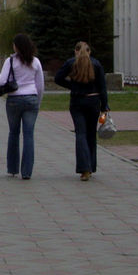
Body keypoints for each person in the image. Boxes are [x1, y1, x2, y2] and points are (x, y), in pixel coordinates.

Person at [54, 41, 110, 181]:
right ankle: (91, 166)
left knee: (80, 133)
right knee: (91, 134)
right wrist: (104, 106)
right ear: (89, 51)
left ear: (75, 51)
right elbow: (102, 87)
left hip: (77, 101)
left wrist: (72, 86)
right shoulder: (96, 64)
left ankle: (84, 168)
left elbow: (58, 78)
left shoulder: (71, 63)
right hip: (93, 101)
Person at [0, 33, 44, 180]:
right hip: (31, 99)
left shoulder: (10, 61)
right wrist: (38, 102)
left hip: (14, 100)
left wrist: (12, 79)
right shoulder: (35, 61)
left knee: (13, 133)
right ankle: (27, 172)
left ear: (16, 46)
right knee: (29, 135)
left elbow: (1, 81)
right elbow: (40, 85)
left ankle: (12, 168)